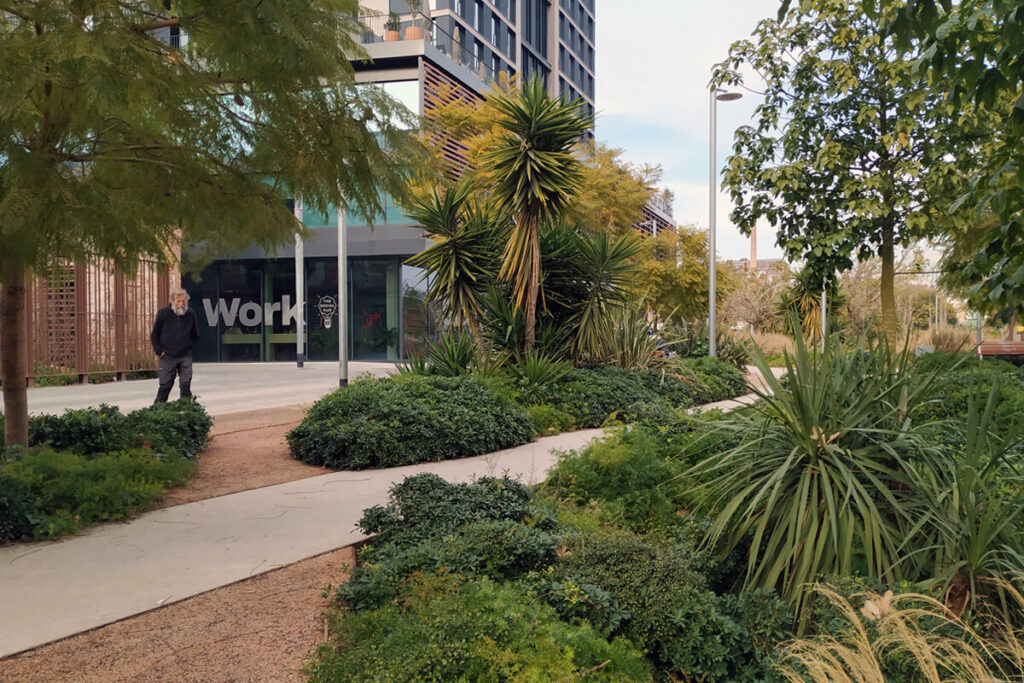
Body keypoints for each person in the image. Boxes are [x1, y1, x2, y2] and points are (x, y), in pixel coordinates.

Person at [150, 287, 200, 403]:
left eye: (184, 301)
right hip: (167, 355)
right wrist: (159, 351)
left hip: (185, 355)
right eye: (178, 301)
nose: (181, 304)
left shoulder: (190, 314)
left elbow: (195, 334)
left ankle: (186, 407)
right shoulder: (163, 313)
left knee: (185, 383)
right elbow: (154, 334)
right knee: (165, 385)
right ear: (172, 301)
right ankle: (158, 408)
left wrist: (191, 349)